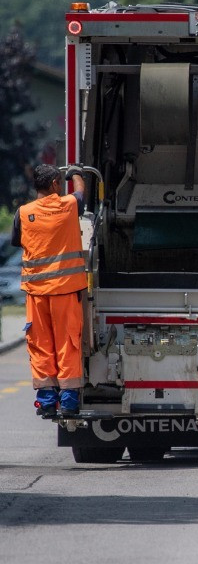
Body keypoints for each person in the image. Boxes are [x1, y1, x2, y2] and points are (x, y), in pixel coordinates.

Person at [11, 164, 88, 417]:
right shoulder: (67, 206)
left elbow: (18, 241)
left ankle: (46, 400)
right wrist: (76, 172)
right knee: (67, 344)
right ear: (55, 184)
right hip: (65, 292)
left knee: (41, 345)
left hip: (36, 294)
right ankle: (68, 401)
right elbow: (81, 195)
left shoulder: (23, 213)